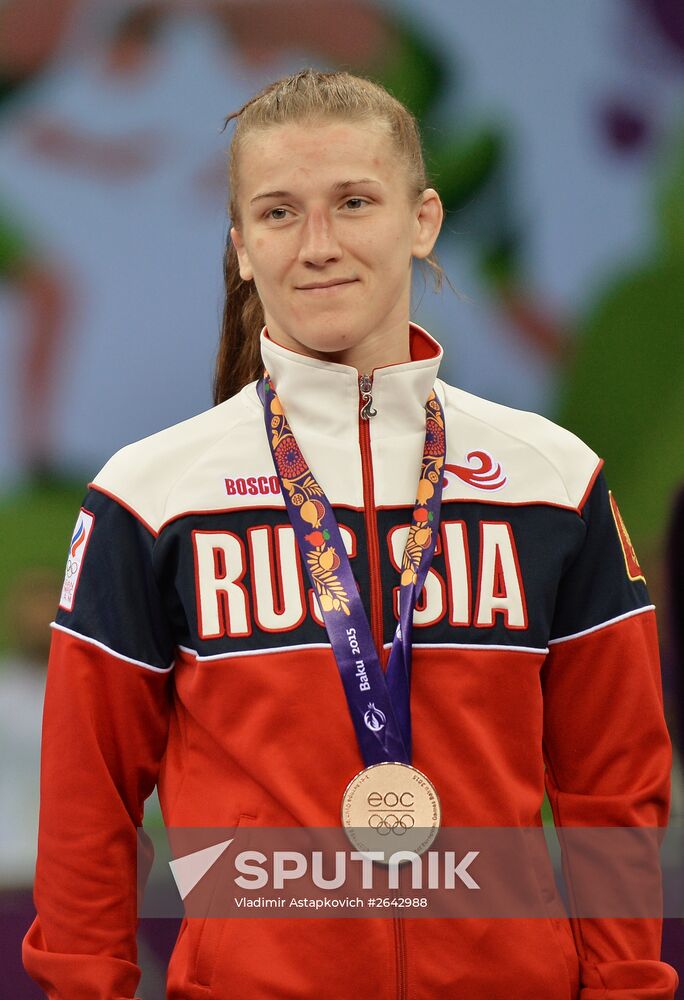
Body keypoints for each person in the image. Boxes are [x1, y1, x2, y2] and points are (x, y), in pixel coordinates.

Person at [23, 69, 678, 999]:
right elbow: (89, 801)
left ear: (423, 221)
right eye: (279, 213)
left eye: (355, 202)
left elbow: (613, 788)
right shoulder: (151, 496)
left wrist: (627, 988)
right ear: (241, 245)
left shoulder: (553, 480)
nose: (319, 244)